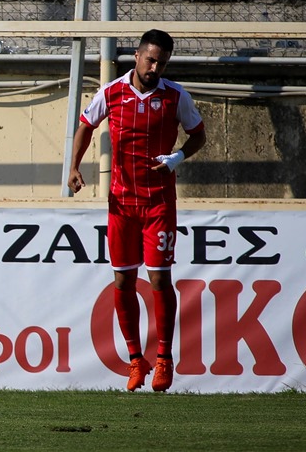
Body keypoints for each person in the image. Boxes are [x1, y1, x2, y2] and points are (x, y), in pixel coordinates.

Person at [67, 29, 206, 392]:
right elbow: (85, 125)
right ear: (138, 56)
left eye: (162, 62)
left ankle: (163, 359)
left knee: (160, 279)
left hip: (159, 202)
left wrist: (177, 157)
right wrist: (74, 167)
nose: (155, 67)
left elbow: (199, 135)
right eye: (151, 60)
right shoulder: (111, 92)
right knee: (123, 281)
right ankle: (135, 360)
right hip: (121, 205)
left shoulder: (175, 96)